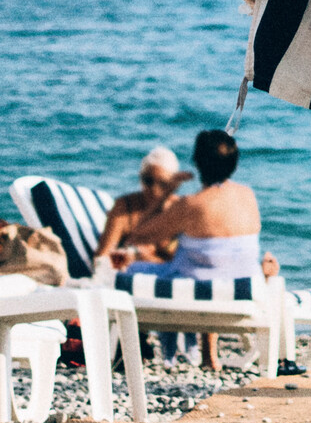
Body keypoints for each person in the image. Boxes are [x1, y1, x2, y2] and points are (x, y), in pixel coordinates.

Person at [111, 130, 278, 369]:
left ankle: (123, 351)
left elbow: (138, 234)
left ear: (198, 163)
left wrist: (167, 192)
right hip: (244, 290)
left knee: (129, 271)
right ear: (234, 163)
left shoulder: (190, 205)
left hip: (198, 294)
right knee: (209, 267)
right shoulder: (247, 196)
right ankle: (208, 355)